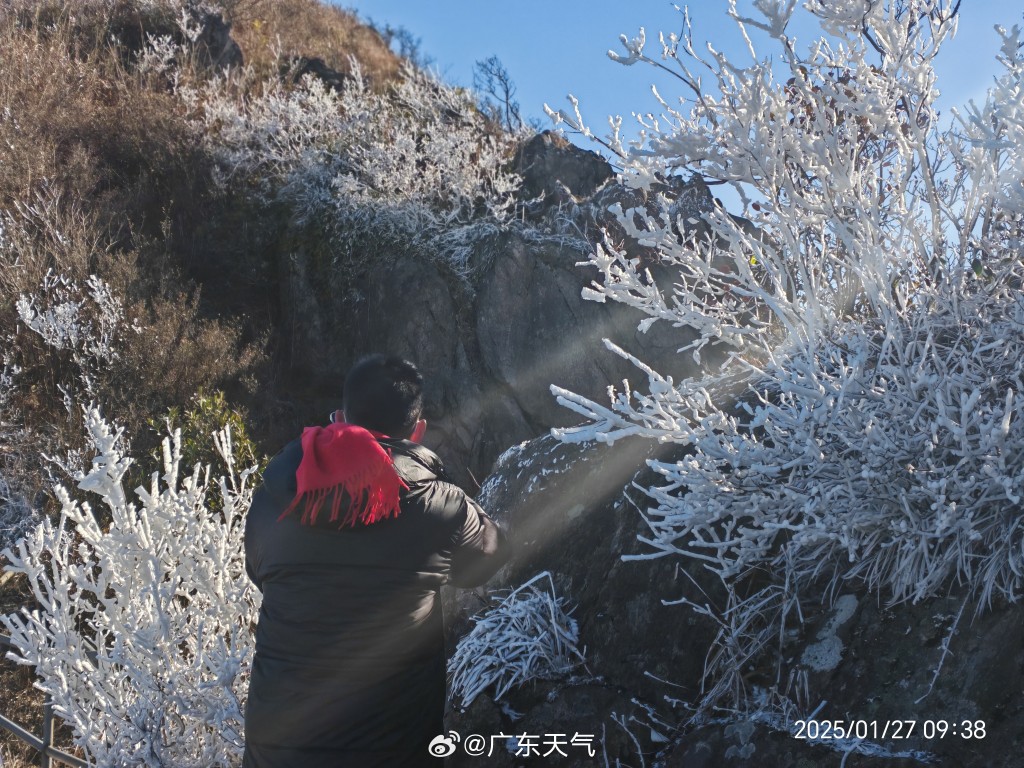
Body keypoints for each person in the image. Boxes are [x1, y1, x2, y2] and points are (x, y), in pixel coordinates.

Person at [243, 354, 510, 767]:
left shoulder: (275, 494)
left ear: (340, 415)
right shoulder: (440, 506)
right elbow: (488, 558)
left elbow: (260, 572)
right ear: (417, 431)